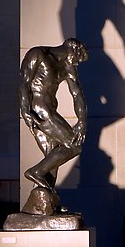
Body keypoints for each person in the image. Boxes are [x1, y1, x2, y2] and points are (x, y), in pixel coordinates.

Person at [19, 38, 88, 193]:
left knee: (52, 155)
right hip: (39, 110)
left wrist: (82, 121)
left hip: (49, 110)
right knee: (74, 145)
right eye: (78, 59)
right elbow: (23, 82)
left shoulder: (67, 67)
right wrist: (24, 110)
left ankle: (47, 201)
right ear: (74, 50)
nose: (76, 63)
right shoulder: (38, 54)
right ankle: (35, 172)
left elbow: (77, 94)